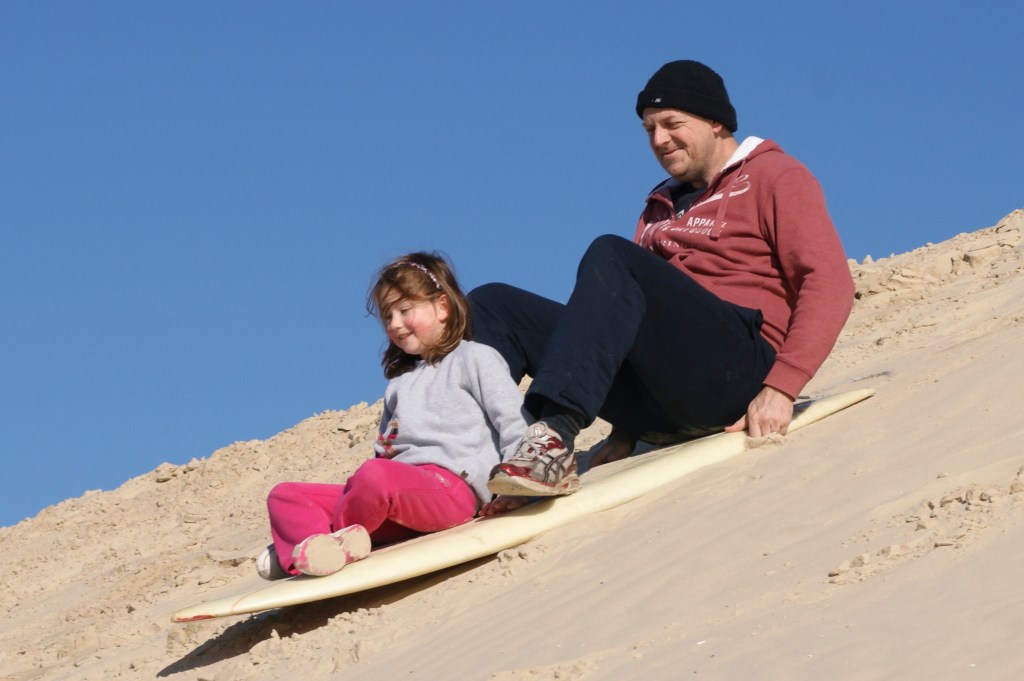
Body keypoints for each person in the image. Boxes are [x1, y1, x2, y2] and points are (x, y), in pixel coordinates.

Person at [476, 60, 855, 512]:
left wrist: (782, 387)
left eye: (672, 124)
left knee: (611, 255)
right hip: (665, 397)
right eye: (649, 129)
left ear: (716, 122)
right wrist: (626, 430)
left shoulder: (776, 175)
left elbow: (828, 280)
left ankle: (552, 440)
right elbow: (625, 321)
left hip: (737, 375)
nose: (659, 139)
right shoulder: (659, 206)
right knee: (492, 304)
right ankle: (477, 467)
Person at [256, 252, 528, 578]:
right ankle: (310, 553)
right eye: (388, 316)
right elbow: (385, 452)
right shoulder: (399, 384)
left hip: (451, 491)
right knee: (286, 495)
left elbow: (512, 424)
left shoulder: (476, 358)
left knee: (375, 477)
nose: (395, 324)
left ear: (442, 307)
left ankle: (327, 542)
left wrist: (514, 487)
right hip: (395, 499)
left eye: (405, 310)